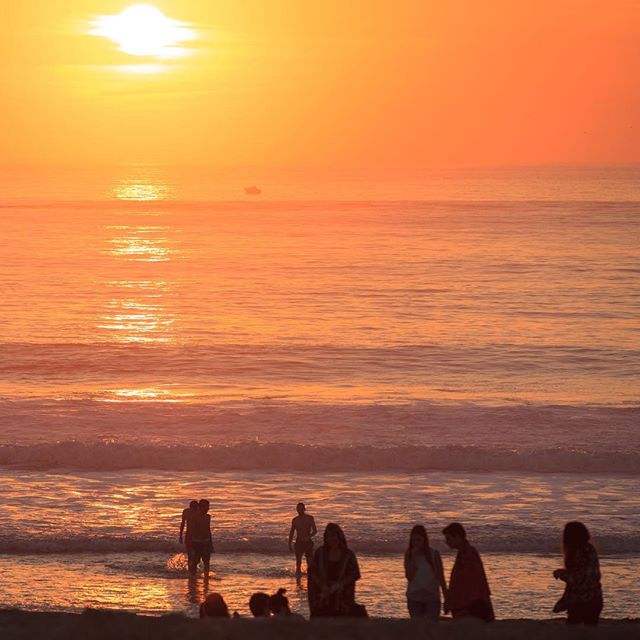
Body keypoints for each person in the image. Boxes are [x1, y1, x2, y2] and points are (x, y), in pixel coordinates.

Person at [308, 523, 363, 617]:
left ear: (339, 536)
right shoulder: (320, 553)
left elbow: (355, 574)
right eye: (328, 536)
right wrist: (322, 585)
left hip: (342, 592)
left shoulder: (348, 554)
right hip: (323, 592)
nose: (331, 539)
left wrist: (340, 585)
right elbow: (312, 571)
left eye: (333, 535)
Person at [553, 521, 603, 625]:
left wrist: (560, 573)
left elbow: (576, 579)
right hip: (596, 597)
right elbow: (587, 575)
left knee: (573, 630)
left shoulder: (577, 551)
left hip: (582, 600)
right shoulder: (590, 548)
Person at [442, 522, 494, 621]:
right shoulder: (464, 553)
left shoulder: (468, 554)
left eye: (448, 538)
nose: (446, 541)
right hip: (467, 604)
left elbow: (471, 583)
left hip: (469, 606)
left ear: (457, 536)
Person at [405, 525, 448, 620]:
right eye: (414, 540)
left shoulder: (434, 554)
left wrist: (447, 599)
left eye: (418, 540)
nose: (416, 543)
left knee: (430, 629)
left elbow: (441, 578)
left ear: (424, 540)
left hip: (432, 598)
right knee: (418, 630)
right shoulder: (409, 554)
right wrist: (414, 559)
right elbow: (409, 577)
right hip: (414, 598)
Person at [288, 502, 317, 575]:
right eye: (298, 509)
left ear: (304, 509)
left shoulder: (310, 518)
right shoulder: (295, 520)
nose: (299, 510)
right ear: (296, 510)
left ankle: (310, 576)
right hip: (298, 542)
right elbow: (291, 532)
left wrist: (308, 536)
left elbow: (315, 531)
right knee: (298, 562)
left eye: (301, 509)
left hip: (308, 542)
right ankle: (298, 578)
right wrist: (289, 544)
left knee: (309, 562)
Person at [190, 499, 213, 575]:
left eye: (208, 507)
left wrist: (210, 543)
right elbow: (192, 530)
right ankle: (192, 577)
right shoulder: (194, 517)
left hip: (206, 541)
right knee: (196, 561)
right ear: (200, 507)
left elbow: (208, 530)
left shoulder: (208, 517)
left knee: (207, 561)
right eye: (206, 507)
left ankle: (206, 578)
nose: (208, 509)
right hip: (197, 542)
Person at [179, 500, 199, 568]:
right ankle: (191, 569)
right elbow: (182, 524)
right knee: (190, 554)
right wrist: (180, 535)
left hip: (197, 536)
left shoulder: (199, 513)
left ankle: (193, 567)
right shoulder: (186, 512)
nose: (194, 509)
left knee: (196, 555)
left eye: (195, 508)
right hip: (189, 535)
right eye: (193, 508)